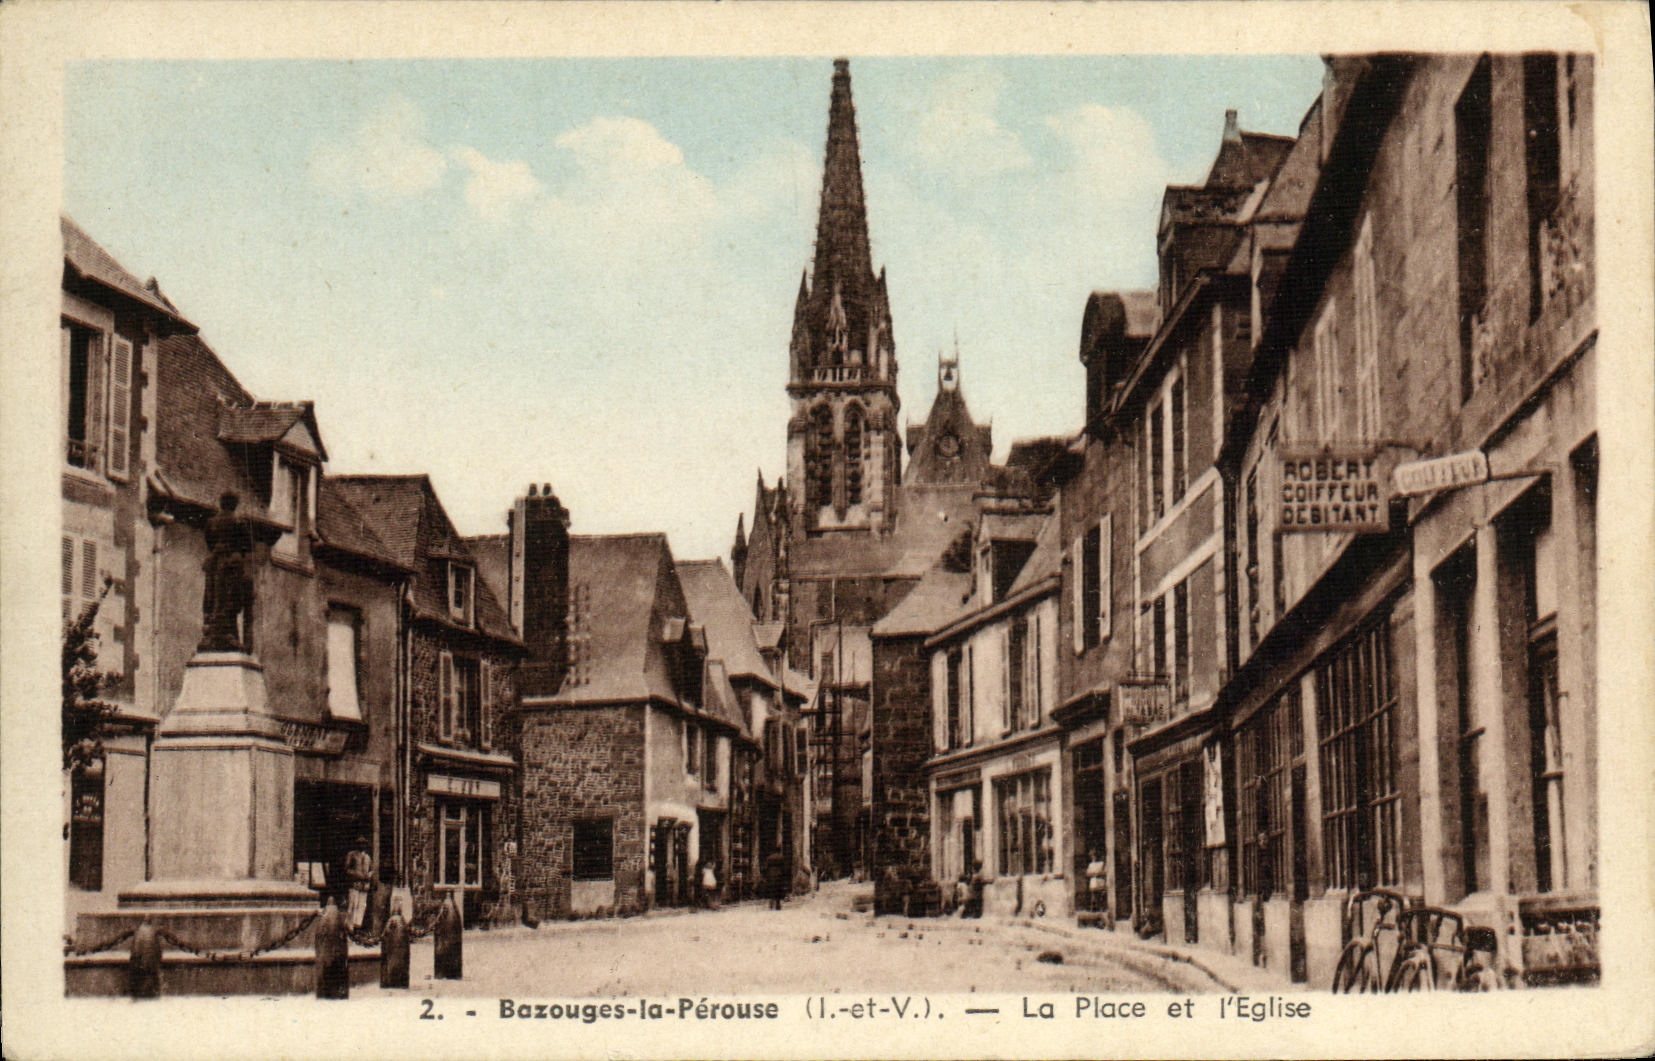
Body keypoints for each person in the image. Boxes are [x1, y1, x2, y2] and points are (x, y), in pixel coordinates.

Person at [344, 837, 373, 930]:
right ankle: (349, 927)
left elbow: (372, 869)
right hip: (355, 884)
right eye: (360, 843)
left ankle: (358, 926)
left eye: (364, 844)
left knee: (362, 906)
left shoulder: (368, 857)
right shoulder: (352, 855)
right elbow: (347, 869)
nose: (362, 845)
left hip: (364, 885)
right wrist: (357, 874)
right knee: (353, 905)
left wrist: (369, 875)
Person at [1085, 849, 1108, 916]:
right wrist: (1094, 874)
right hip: (1093, 882)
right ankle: (1094, 908)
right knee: (1094, 896)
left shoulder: (1101, 863)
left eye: (1094, 855)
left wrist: (1097, 874)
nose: (1093, 857)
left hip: (1100, 881)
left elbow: (1105, 872)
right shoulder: (1091, 864)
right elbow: (1087, 873)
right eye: (1092, 856)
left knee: (1101, 895)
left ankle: (1102, 908)